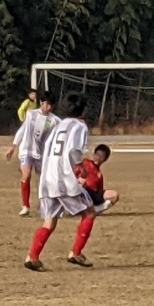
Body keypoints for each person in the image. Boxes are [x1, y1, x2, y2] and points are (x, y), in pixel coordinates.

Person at [24, 92, 97, 272]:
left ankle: (32, 257)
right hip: (63, 178)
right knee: (89, 212)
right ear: (83, 110)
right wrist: (81, 168)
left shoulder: (58, 124)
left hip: (47, 179)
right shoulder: (80, 126)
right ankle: (76, 253)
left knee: (49, 222)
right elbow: (74, 151)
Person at [6, 91, 60, 216]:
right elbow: (22, 130)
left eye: (50, 105)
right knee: (26, 175)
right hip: (27, 149)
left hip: (42, 153)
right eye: (45, 103)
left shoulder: (55, 121)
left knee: (43, 180)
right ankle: (25, 206)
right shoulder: (31, 114)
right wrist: (13, 147)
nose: (47, 107)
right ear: (41, 103)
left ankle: (44, 205)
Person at [74, 144, 120, 214]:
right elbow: (74, 172)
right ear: (94, 154)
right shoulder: (85, 163)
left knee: (115, 195)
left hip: (93, 196)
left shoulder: (99, 175)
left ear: (105, 159)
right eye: (97, 155)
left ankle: (96, 210)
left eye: (101, 156)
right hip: (83, 192)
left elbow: (99, 191)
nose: (98, 158)